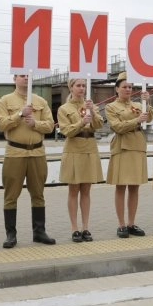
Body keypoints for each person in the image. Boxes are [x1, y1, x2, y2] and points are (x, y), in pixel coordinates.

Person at [0, 74, 56, 248]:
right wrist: (20, 114)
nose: (25, 78)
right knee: (11, 195)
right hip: (15, 153)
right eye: (22, 76)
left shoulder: (41, 101)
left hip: (37, 152)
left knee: (38, 194)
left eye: (28, 76)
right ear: (14, 78)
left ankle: (39, 232)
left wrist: (35, 124)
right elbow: (1, 125)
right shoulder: (5, 100)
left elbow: (50, 126)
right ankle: (11, 234)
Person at [105, 72, 153, 238]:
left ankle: (131, 223)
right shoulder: (111, 107)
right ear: (117, 89)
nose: (128, 89)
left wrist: (147, 102)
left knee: (134, 187)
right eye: (124, 87)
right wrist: (136, 120)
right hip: (122, 147)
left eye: (130, 87)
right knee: (121, 187)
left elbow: (149, 118)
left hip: (137, 145)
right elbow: (117, 127)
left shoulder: (138, 105)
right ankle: (121, 224)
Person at [57, 78, 104, 242]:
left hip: (89, 148)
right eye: (78, 85)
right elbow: (66, 131)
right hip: (74, 149)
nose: (81, 88)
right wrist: (81, 122)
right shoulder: (64, 109)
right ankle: (74, 228)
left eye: (84, 86)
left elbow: (99, 125)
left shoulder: (91, 105)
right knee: (73, 190)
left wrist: (93, 112)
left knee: (86, 191)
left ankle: (85, 227)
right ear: (71, 87)